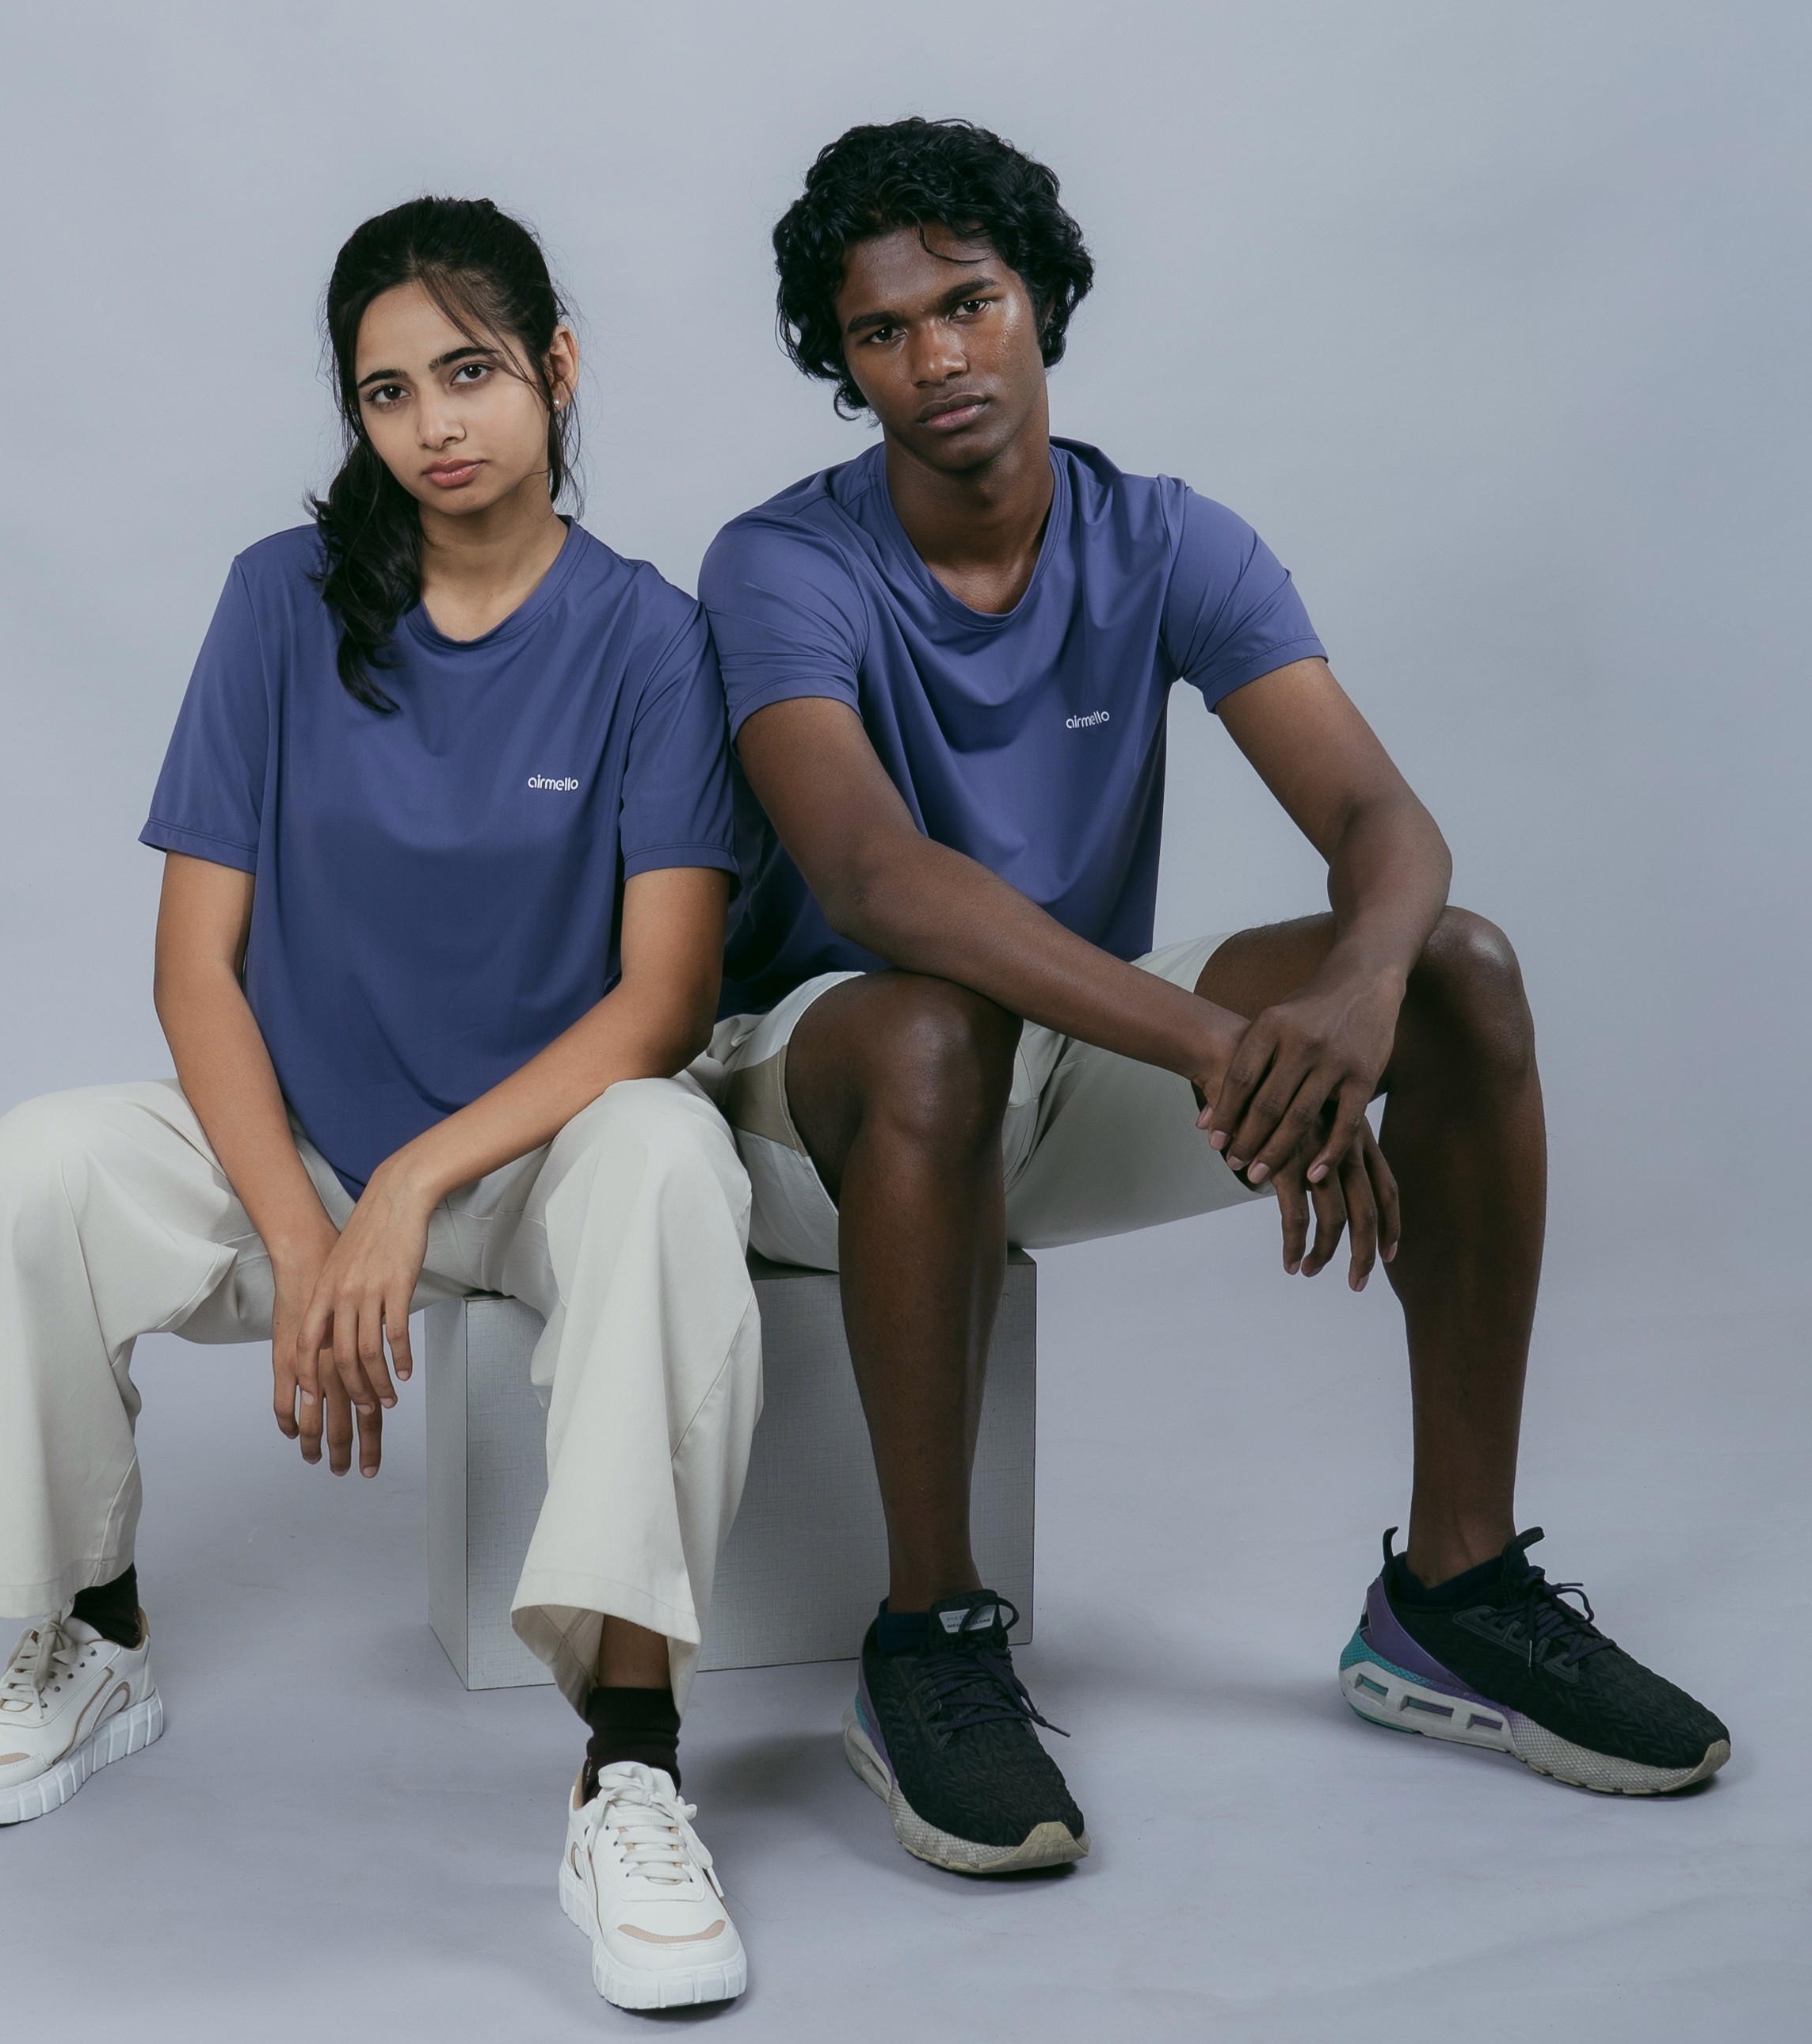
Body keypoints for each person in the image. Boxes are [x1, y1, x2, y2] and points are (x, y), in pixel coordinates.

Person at [697, 117, 1729, 1879]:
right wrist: (1217, 1043)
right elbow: (875, 880)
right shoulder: (781, 561)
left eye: (969, 302)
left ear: (1041, 301)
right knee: (937, 1025)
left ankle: (1454, 1592)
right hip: (825, 1080)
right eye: (883, 331)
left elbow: (1382, 822)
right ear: (844, 363)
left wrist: (1360, 996)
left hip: (1058, 1053)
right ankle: (930, 1637)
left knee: (1459, 970)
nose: (936, 358)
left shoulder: (1169, 539)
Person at [0, 196, 755, 2012]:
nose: (433, 422)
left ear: (556, 367)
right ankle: (93, 1630)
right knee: (32, 1172)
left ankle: (628, 1758)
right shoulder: (277, 602)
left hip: (529, 1155)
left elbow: (666, 997)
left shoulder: (649, 636)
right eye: (387, 391)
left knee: (677, 1157)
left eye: (470, 370)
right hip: (292, 1151)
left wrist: (414, 1188)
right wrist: (308, 1233)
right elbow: (193, 970)